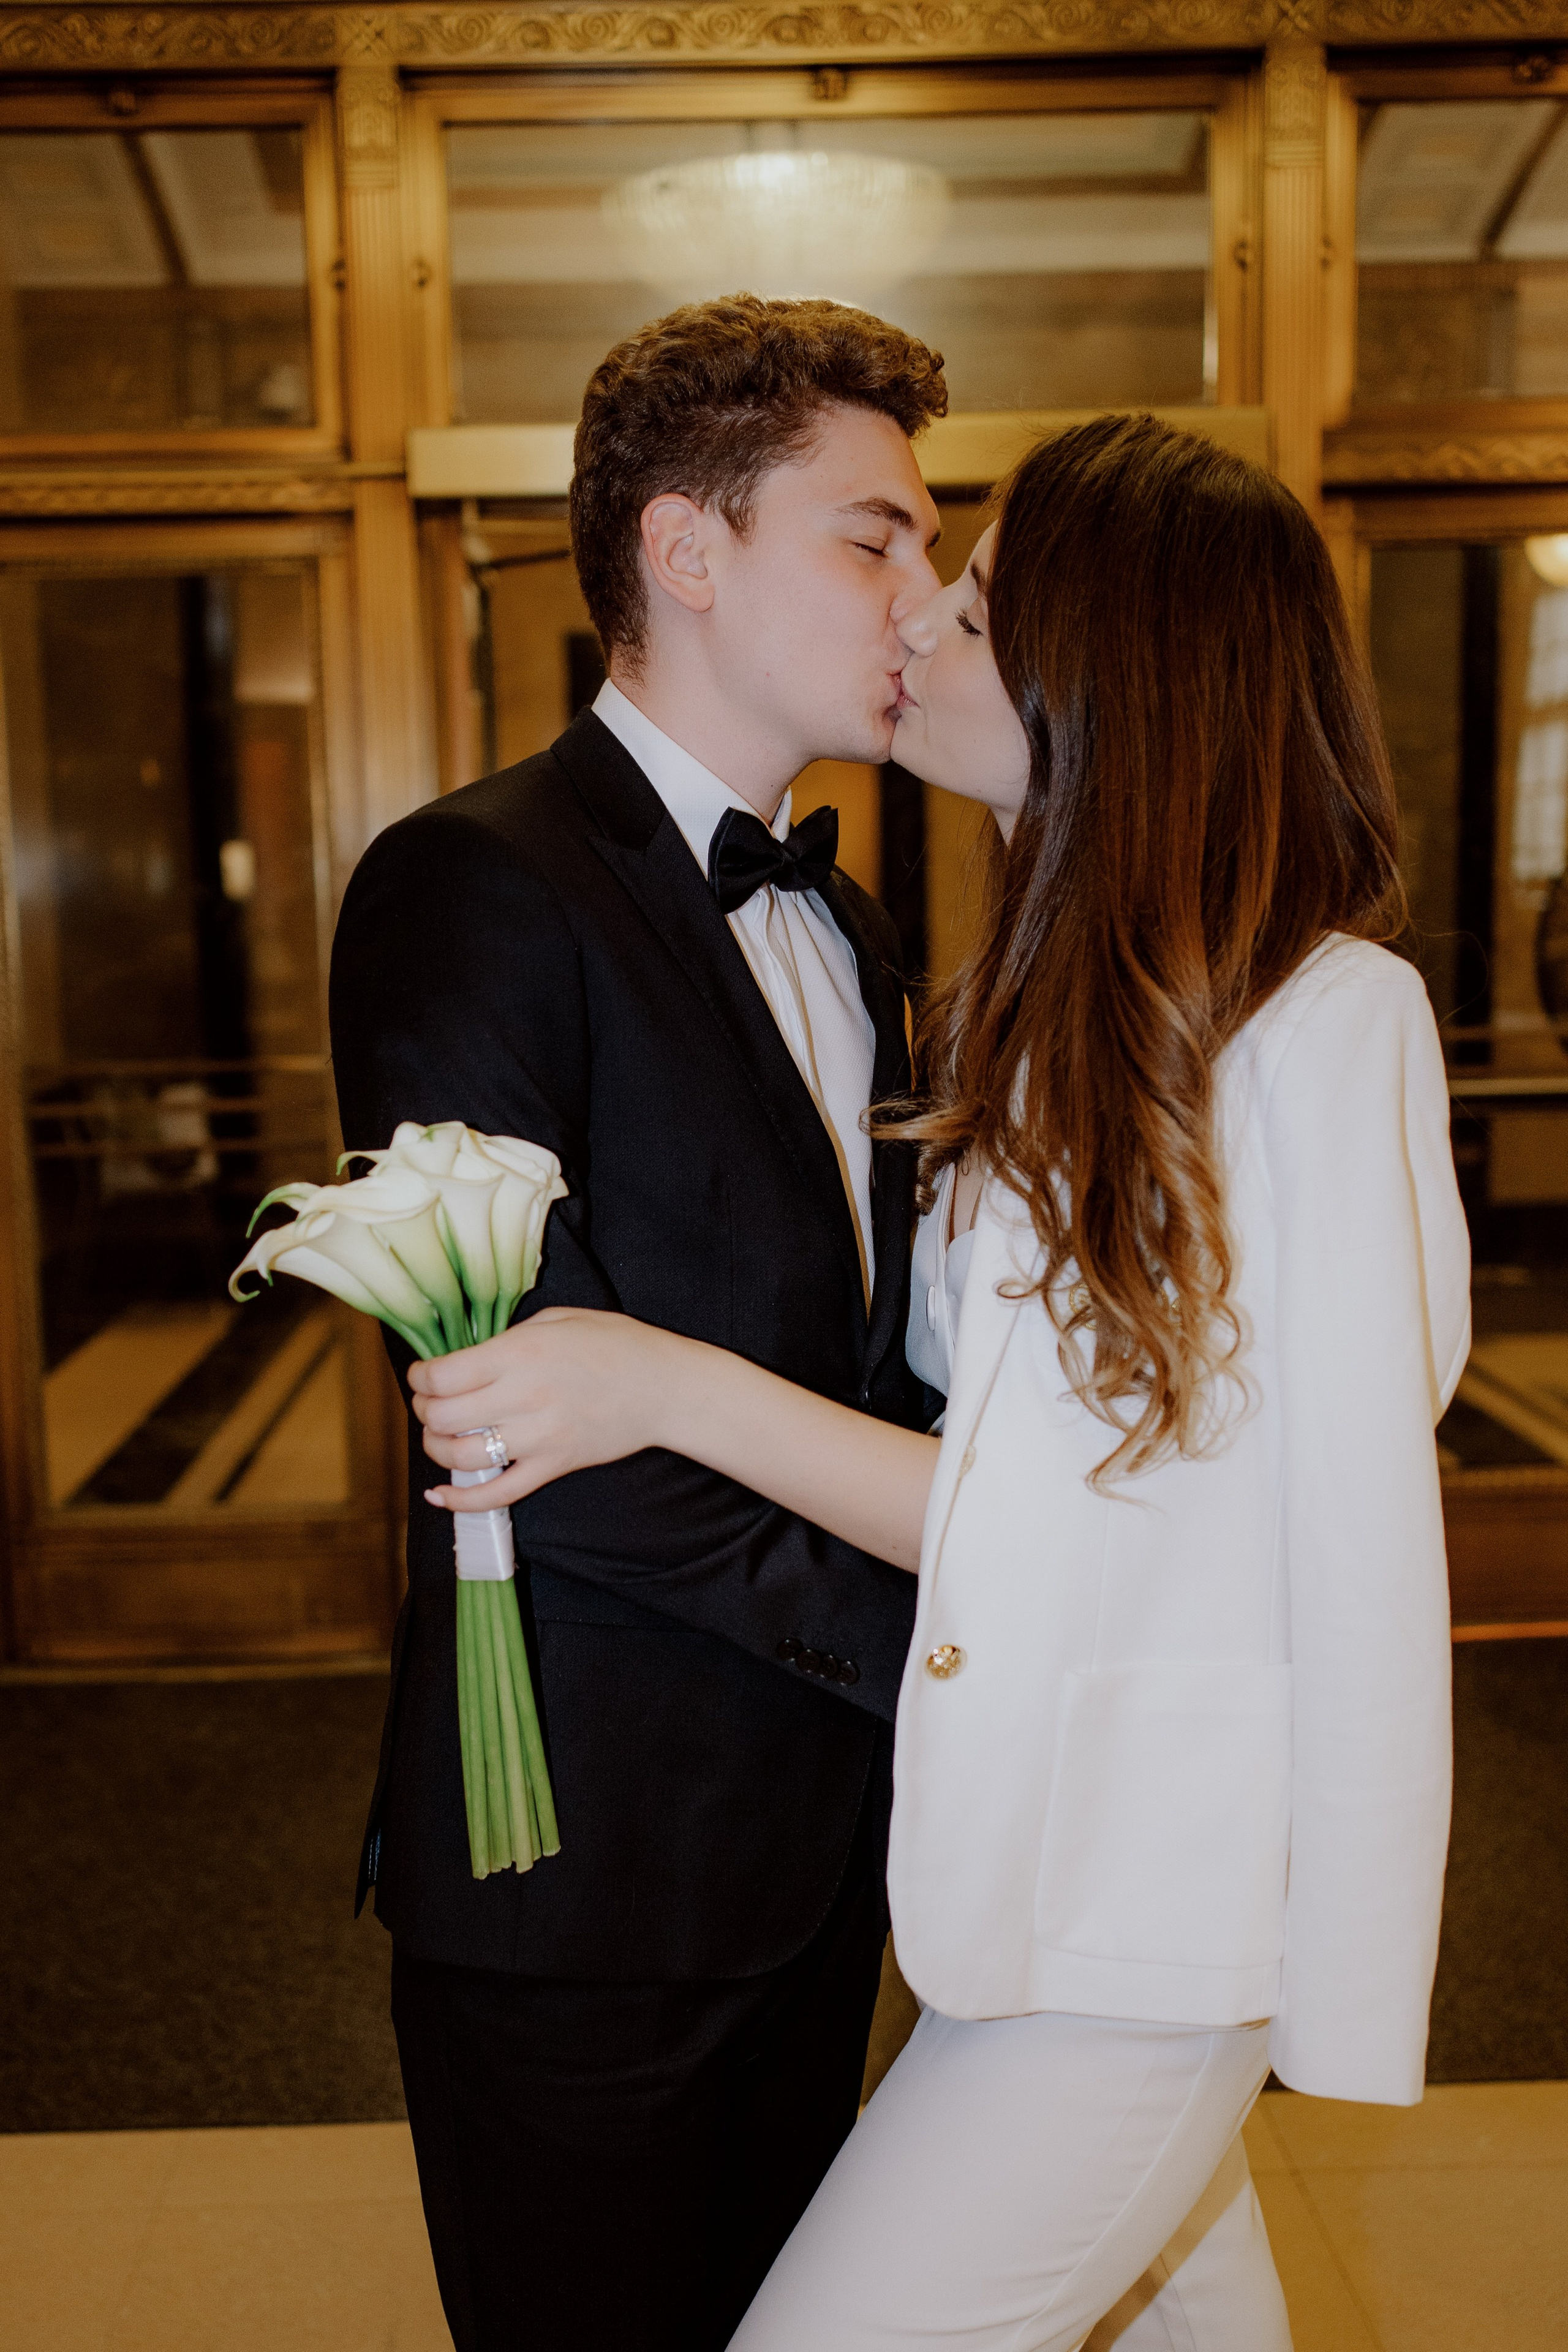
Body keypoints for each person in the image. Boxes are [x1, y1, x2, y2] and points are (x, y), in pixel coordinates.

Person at [413, 414, 1472, 2350]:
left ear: (1112, 668)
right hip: (999, 1877)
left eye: (972, 601)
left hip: (1159, 1910)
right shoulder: (1020, 1013)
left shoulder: (1331, 1022)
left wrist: (660, 1380)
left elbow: (1324, 1535)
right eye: (899, 562)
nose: (922, 623)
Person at [328, 294, 949, 2352]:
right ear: (687, 551)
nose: (920, 595)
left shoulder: (853, 921)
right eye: (874, 538)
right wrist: (944, 1627)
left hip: (825, 1852)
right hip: (585, 1866)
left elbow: (877, 1364)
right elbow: (526, 1431)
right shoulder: (470, 884)